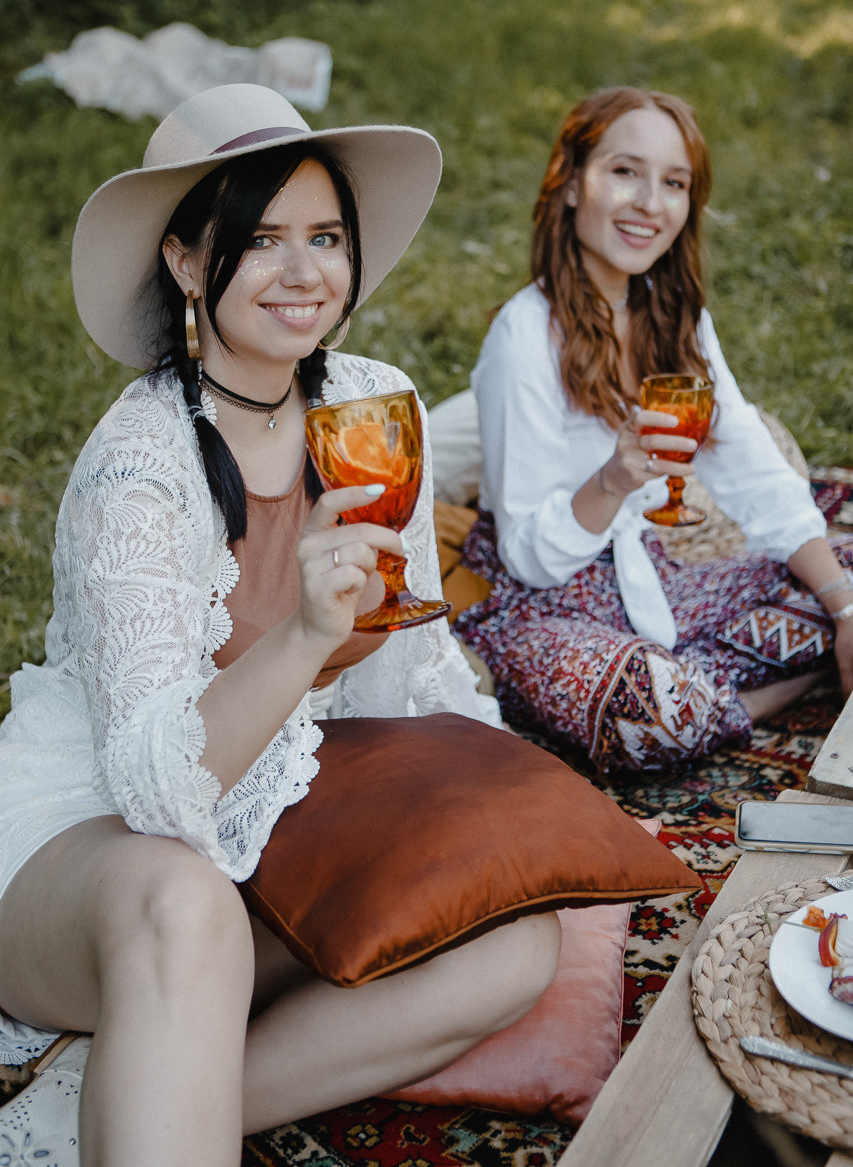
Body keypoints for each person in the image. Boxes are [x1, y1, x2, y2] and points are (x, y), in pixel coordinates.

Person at [0, 84, 562, 1166]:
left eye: (325, 237)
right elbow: (159, 788)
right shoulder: (139, 465)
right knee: (187, 902)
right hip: (94, 851)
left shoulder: (372, 401)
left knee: (512, 946)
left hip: (280, 825)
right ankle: (156, 1074)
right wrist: (304, 635)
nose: (304, 272)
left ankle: (128, 1104)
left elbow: (420, 672)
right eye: (260, 240)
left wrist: (503, 816)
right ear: (181, 260)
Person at [454, 86, 853, 773]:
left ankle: (711, 679)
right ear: (571, 183)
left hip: (660, 580)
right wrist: (610, 480)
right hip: (547, 608)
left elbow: (752, 469)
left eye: (673, 183)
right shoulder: (524, 336)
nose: (648, 203)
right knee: (651, 709)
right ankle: (759, 692)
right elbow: (528, 555)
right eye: (623, 172)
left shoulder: (675, 317)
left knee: (834, 563)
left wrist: (842, 609)